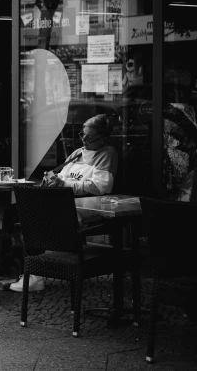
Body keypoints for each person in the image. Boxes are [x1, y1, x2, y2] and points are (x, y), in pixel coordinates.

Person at [10, 113, 119, 292]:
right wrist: (53, 180)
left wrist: (65, 184)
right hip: (62, 202)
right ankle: (29, 268)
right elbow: (62, 176)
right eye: (83, 135)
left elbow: (101, 186)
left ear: (103, 139)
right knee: (15, 213)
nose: (84, 140)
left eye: (90, 137)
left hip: (83, 205)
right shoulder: (77, 154)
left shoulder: (107, 154)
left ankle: (36, 274)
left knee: (31, 221)